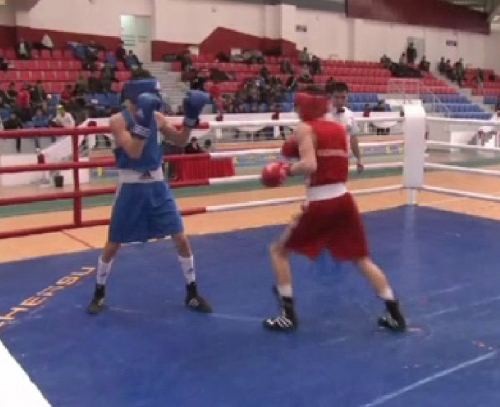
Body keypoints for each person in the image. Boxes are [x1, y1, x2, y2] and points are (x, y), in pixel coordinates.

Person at [260, 89, 407, 332]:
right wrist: (291, 153)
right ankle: (395, 314)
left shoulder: (305, 128)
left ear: (304, 107)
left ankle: (288, 315)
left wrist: (285, 170)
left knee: (278, 251)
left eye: (298, 106)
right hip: (344, 200)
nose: (296, 110)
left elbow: (310, 164)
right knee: (361, 258)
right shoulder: (338, 128)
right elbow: (324, 159)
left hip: (321, 202)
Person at [86, 77, 213, 315]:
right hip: (131, 188)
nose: (158, 98)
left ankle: (192, 293)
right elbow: (134, 152)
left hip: (157, 185)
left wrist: (190, 119)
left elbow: (181, 140)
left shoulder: (157, 117)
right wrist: (143, 123)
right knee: (114, 244)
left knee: (181, 238)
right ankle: (99, 293)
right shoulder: (118, 121)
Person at [326, 82, 364, 173]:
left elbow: (353, 139)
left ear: (347, 97)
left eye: (343, 97)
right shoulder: (322, 114)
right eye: (336, 97)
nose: (340, 101)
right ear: (330, 96)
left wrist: (359, 159)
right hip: (324, 160)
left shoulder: (350, 114)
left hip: (344, 160)